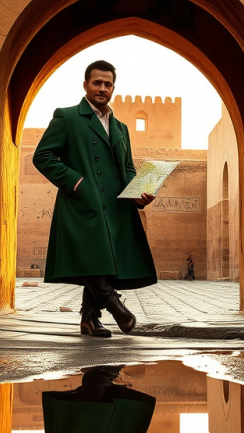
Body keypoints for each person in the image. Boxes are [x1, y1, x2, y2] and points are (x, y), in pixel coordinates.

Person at [33, 60, 157, 337]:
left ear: (113, 88)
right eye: (97, 82)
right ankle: (115, 306)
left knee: (103, 259)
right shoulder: (66, 117)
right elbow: (42, 156)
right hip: (83, 201)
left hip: (115, 204)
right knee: (91, 255)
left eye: (108, 84)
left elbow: (127, 167)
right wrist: (77, 183)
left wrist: (138, 194)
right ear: (86, 85)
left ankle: (90, 318)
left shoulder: (121, 127)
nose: (102, 88)